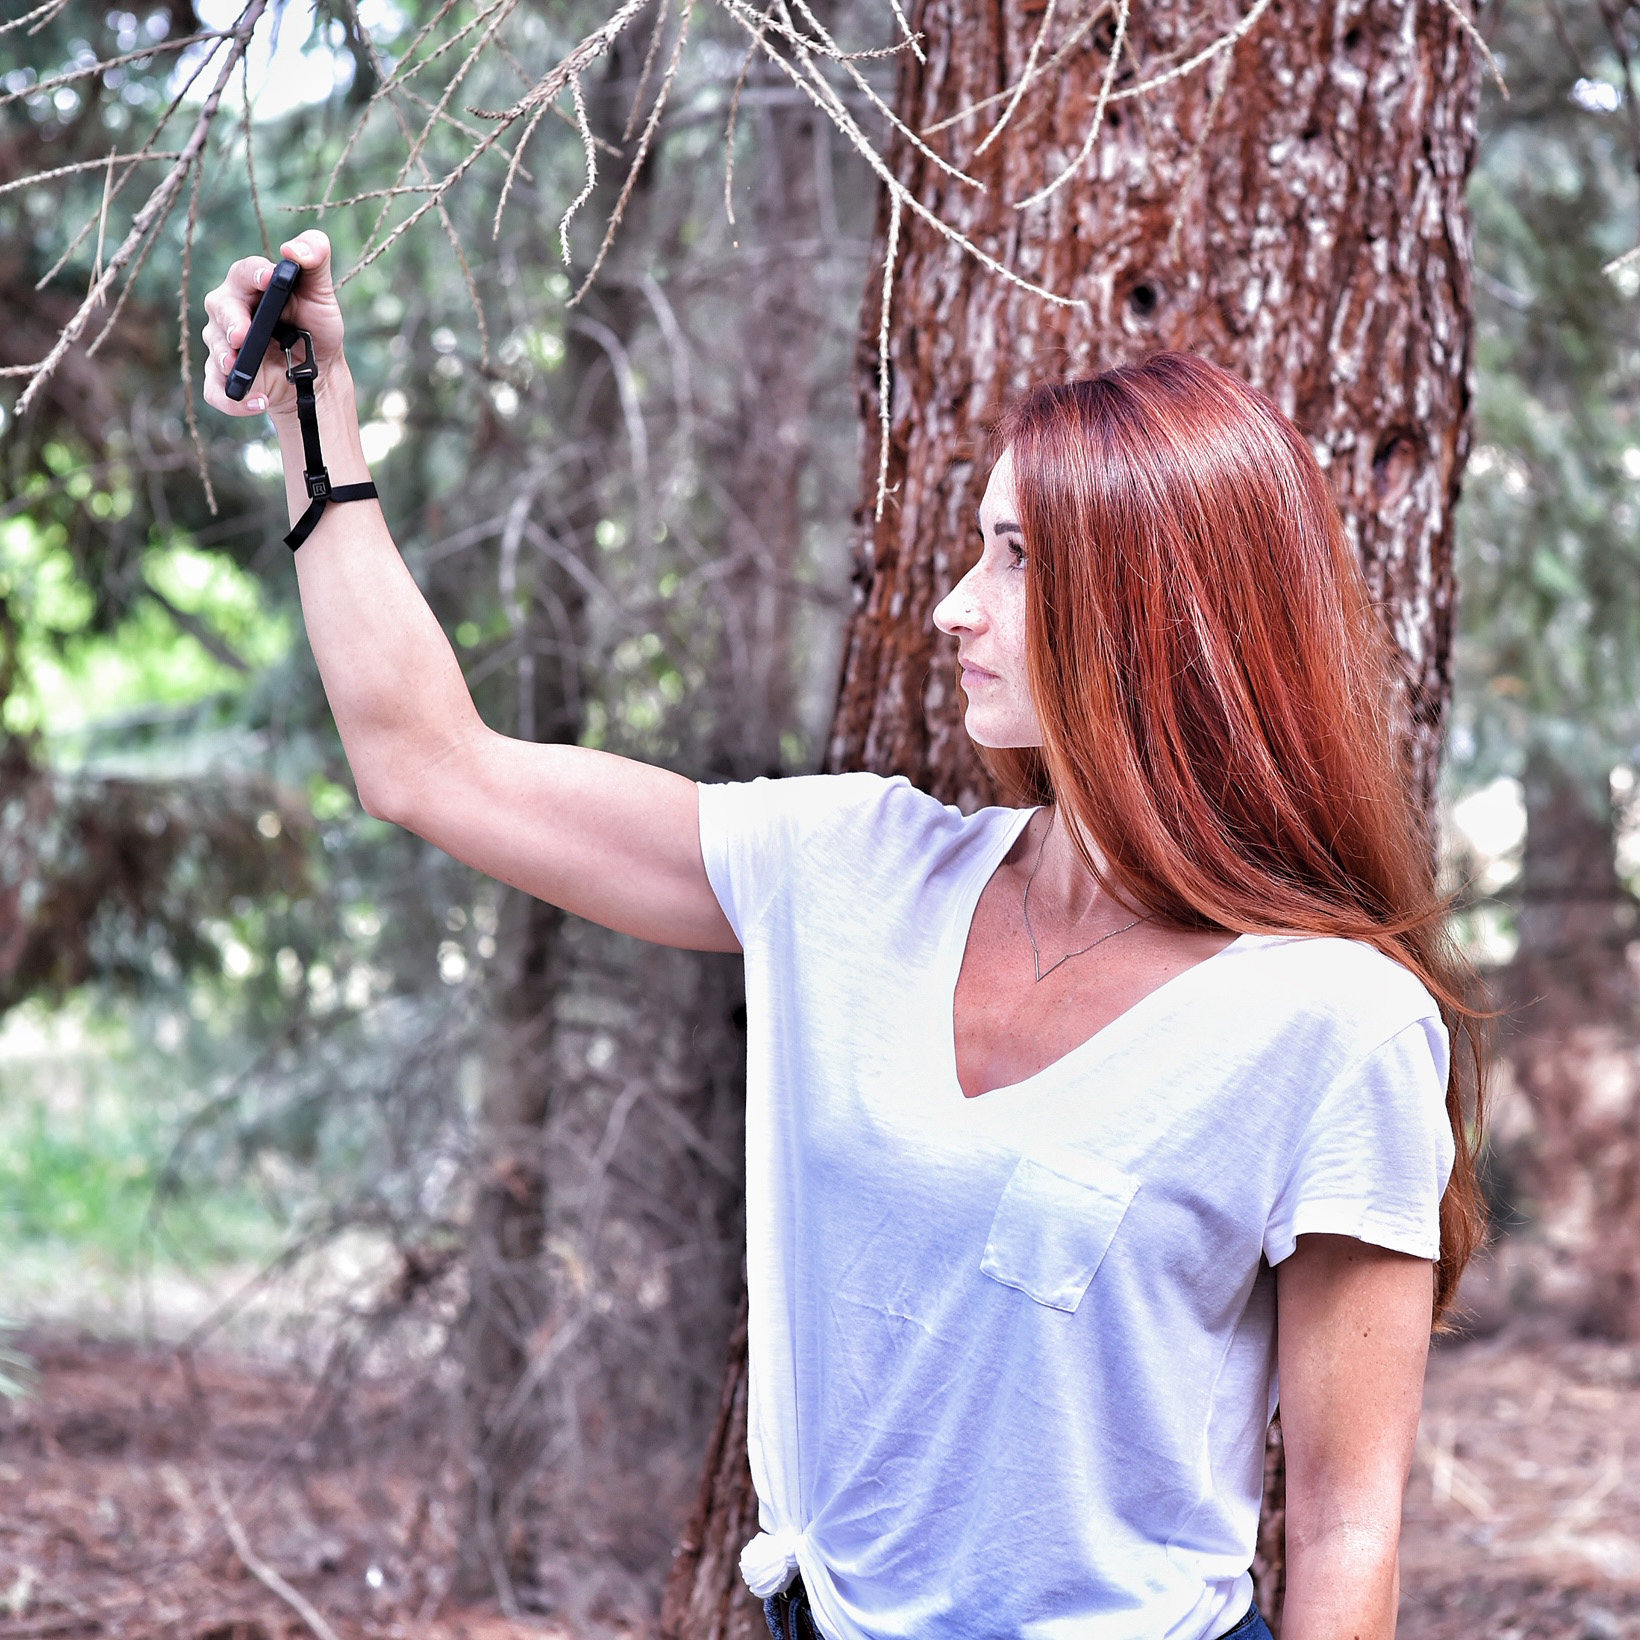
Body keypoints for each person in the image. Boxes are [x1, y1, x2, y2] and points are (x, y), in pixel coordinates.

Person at [201, 229, 1487, 1640]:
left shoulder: (1333, 1024)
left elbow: (1349, 1525)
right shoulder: (857, 872)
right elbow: (430, 765)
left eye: (1014, 558)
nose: (952, 606)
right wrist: (315, 415)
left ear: (1154, 609)